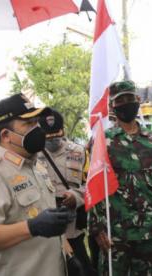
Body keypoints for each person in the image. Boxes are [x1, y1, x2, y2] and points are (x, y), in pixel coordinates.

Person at [0, 93, 75, 276]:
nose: (38, 129)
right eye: (29, 124)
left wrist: (69, 257)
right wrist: (32, 227)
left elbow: (46, 221)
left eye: (36, 122)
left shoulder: (36, 166)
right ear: (6, 135)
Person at [89, 80, 152, 276]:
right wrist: (97, 227)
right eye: (120, 101)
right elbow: (94, 186)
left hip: (150, 229)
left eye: (130, 98)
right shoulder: (105, 141)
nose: (126, 104)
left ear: (138, 101)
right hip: (117, 231)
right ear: (112, 106)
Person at [38, 109, 92, 275]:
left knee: (81, 270)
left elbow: (90, 184)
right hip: (44, 231)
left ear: (63, 131)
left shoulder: (80, 152)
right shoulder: (32, 155)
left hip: (72, 229)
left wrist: (76, 197)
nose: (52, 140)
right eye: (48, 136)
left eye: (56, 134)